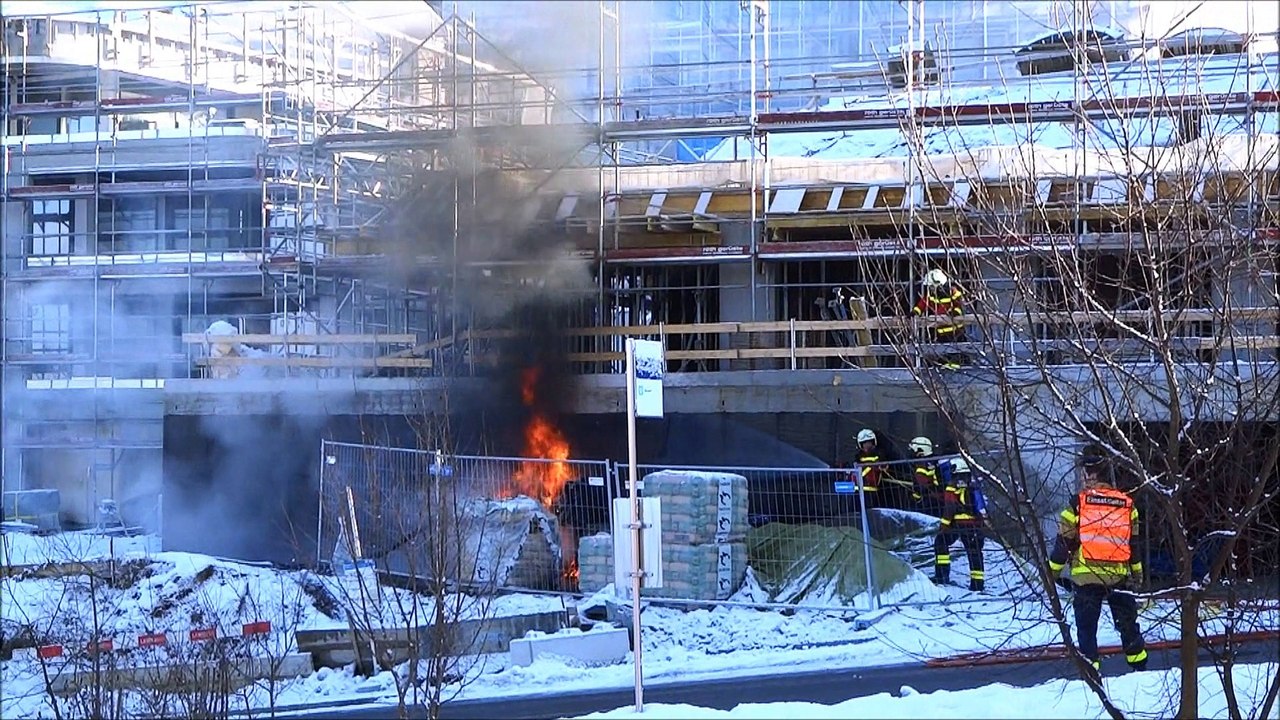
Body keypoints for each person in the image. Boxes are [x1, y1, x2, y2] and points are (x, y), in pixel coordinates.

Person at [1049, 452, 1148, 679]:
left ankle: (1091, 677)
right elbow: (1134, 546)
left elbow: (1063, 544)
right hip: (1119, 577)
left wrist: (1051, 574)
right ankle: (1140, 672)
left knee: (1087, 630)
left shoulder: (1077, 504)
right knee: (1128, 626)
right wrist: (1137, 575)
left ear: (1091, 474)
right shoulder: (1127, 505)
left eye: (1084, 474)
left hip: (1087, 577)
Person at [933, 457, 986, 591]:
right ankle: (977, 584)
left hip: (959, 523)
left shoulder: (953, 485)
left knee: (940, 542)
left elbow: (950, 507)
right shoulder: (973, 484)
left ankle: (942, 576)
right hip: (975, 525)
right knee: (974, 552)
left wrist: (944, 525)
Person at [912, 269, 966, 368]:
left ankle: (955, 369)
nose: (931, 288)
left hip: (955, 330)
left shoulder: (953, 292)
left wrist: (955, 312)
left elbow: (960, 305)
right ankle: (946, 367)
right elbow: (923, 303)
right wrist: (916, 311)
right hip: (941, 329)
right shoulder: (932, 295)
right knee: (943, 351)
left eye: (932, 286)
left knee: (955, 351)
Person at [854, 428, 891, 509]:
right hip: (857, 489)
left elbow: (884, 466)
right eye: (864, 443)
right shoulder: (858, 457)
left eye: (869, 442)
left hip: (872, 489)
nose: (867, 445)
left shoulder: (879, 454)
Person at [909, 436, 944, 516]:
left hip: (928, 500)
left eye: (914, 451)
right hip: (938, 496)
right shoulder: (934, 460)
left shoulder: (921, 465)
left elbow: (921, 486)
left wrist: (915, 498)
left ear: (920, 450)